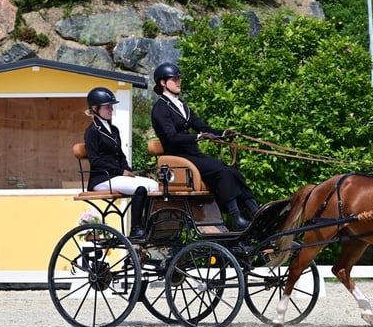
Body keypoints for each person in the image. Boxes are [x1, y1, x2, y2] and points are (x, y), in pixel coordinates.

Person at [150, 62, 259, 231]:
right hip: (179, 157)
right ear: (162, 83)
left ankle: (255, 211)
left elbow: (202, 126)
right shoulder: (160, 109)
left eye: (179, 79)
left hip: (193, 154)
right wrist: (199, 137)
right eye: (174, 79)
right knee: (222, 171)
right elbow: (172, 137)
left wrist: (223, 133)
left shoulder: (182, 106)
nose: (179, 82)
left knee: (233, 171)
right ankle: (235, 216)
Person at [84, 86, 159, 241]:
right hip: (102, 178)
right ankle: (135, 229)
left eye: (111, 106)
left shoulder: (114, 130)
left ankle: (148, 226)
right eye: (107, 106)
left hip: (117, 175)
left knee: (154, 185)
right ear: (95, 108)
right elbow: (95, 161)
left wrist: (128, 170)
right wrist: (120, 172)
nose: (111, 109)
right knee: (141, 188)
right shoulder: (92, 132)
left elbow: (121, 155)